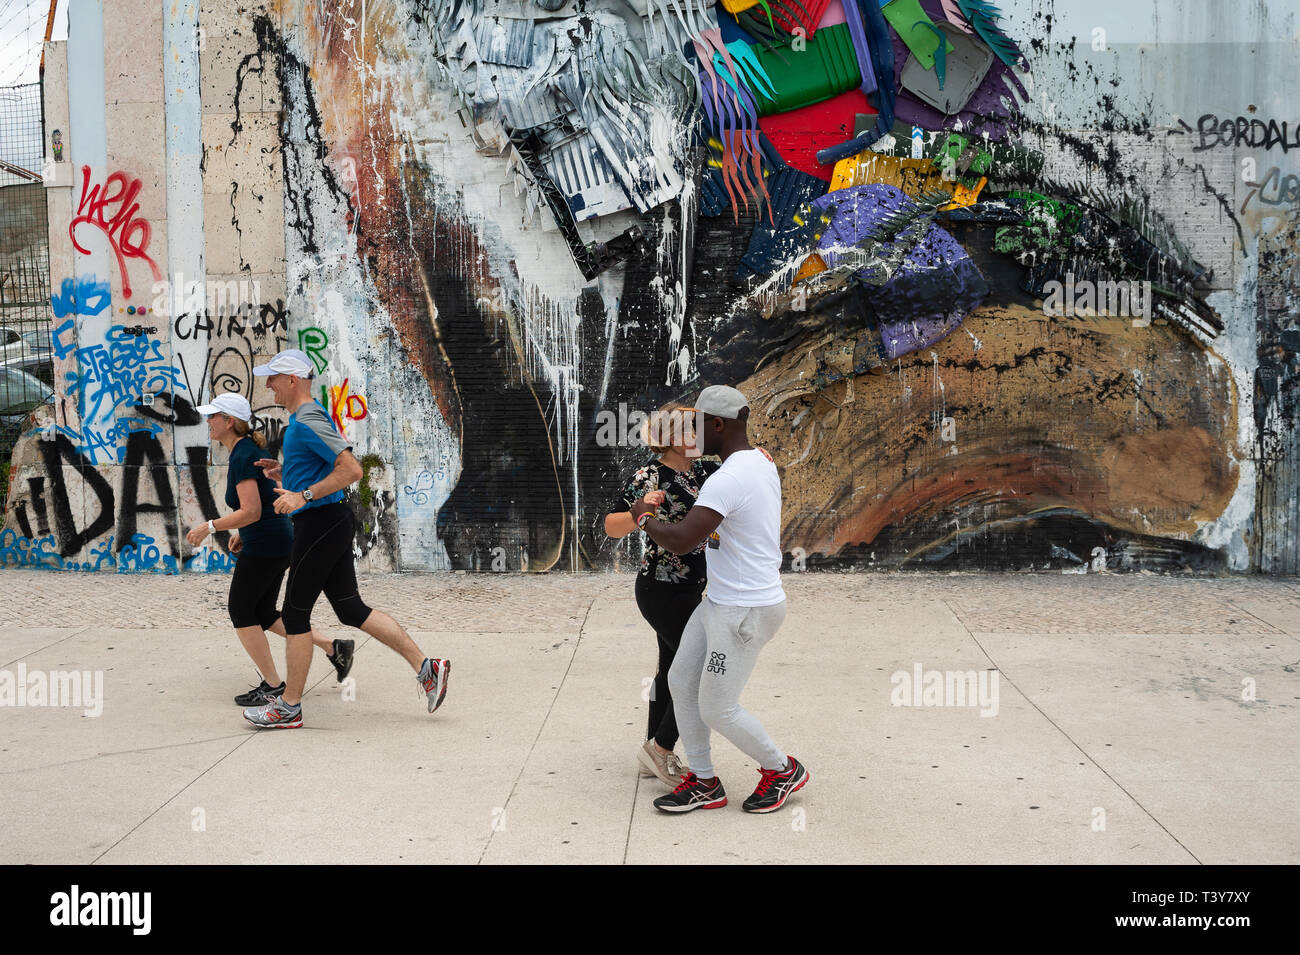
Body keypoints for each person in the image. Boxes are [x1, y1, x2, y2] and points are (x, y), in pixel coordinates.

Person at [240, 349, 449, 729]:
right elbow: (323, 467)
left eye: (272, 377)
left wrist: (301, 495)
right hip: (327, 522)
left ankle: (288, 706)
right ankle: (427, 667)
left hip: (320, 523)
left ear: (291, 380)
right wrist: (285, 473)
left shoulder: (306, 421)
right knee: (351, 610)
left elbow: (351, 470)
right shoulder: (302, 421)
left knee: (294, 614)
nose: (267, 384)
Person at [628, 385, 809, 814]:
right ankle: (705, 782)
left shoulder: (728, 477)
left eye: (696, 424)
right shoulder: (759, 460)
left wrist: (644, 516)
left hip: (744, 610)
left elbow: (681, 539)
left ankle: (781, 769)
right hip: (720, 602)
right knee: (681, 682)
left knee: (717, 706)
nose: (692, 433)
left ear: (718, 424)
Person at [184, 392, 354, 706]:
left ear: (229, 421)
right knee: (262, 612)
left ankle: (273, 685)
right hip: (272, 540)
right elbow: (259, 506)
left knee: (241, 610)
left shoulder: (243, 455)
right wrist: (243, 534)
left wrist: (209, 527)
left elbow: (251, 511)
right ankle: (334, 647)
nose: (208, 422)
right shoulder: (246, 451)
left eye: (213, 416)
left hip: (268, 544)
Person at [605, 407, 718, 788]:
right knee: (696, 668)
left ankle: (650, 750)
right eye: (693, 429)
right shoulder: (649, 475)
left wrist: (759, 457)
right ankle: (662, 749)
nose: (700, 435)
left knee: (671, 668)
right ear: (673, 436)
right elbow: (611, 526)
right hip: (660, 589)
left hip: (693, 587)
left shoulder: (703, 471)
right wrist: (639, 514)